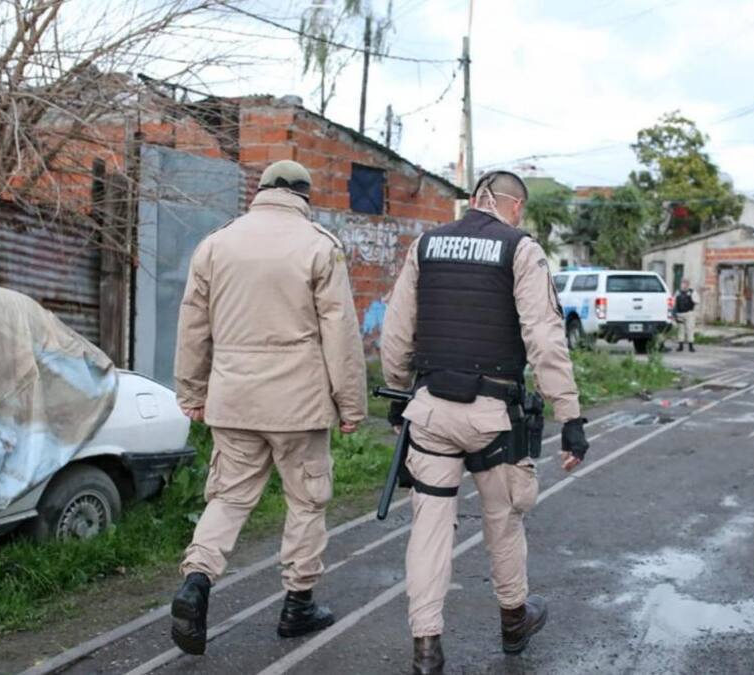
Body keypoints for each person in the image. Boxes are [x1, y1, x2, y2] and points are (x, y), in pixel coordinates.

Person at [380, 170, 590, 675]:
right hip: (492, 416)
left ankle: (426, 647)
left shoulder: (426, 245)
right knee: (503, 519)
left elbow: (397, 327)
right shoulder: (520, 248)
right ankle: (514, 622)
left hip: (429, 409)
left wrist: (397, 391)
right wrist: (571, 415)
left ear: (475, 200)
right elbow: (543, 338)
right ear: (512, 206)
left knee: (428, 529)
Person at [170, 160, 367, 655]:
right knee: (305, 501)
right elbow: (339, 334)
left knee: (229, 498)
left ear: (260, 191)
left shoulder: (216, 244)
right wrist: (351, 405)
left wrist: (191, 392)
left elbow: (193, 325)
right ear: (304, 195)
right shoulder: (320, 245)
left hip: (233, 399)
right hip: (298, 404)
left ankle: (197, 579)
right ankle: (297, 606)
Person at [672, 279, 698, 352]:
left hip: (689, 313)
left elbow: (696, 301)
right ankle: (680, 346)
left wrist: (691, 298)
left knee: (690, 329)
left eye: (686, 284)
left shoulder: (692, 292)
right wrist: (674, 313)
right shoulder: (677, 292)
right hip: (680, 313)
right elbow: (673, 302)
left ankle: (691, 346)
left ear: (688, 285)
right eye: (683, 284)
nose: (684, 285)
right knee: (680, 330)